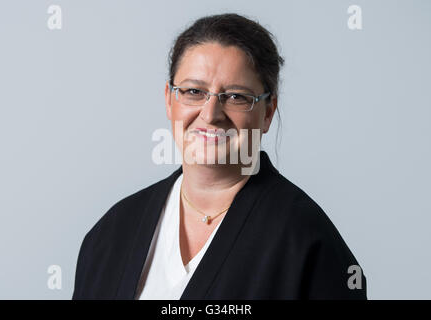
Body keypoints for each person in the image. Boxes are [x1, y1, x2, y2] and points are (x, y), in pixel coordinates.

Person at [72, 13, 367, 300]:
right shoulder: (113, 232)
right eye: (193, 91)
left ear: (267, 111)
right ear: (169, 99)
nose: (210, 114)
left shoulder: (307, 241)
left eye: (236, 96)